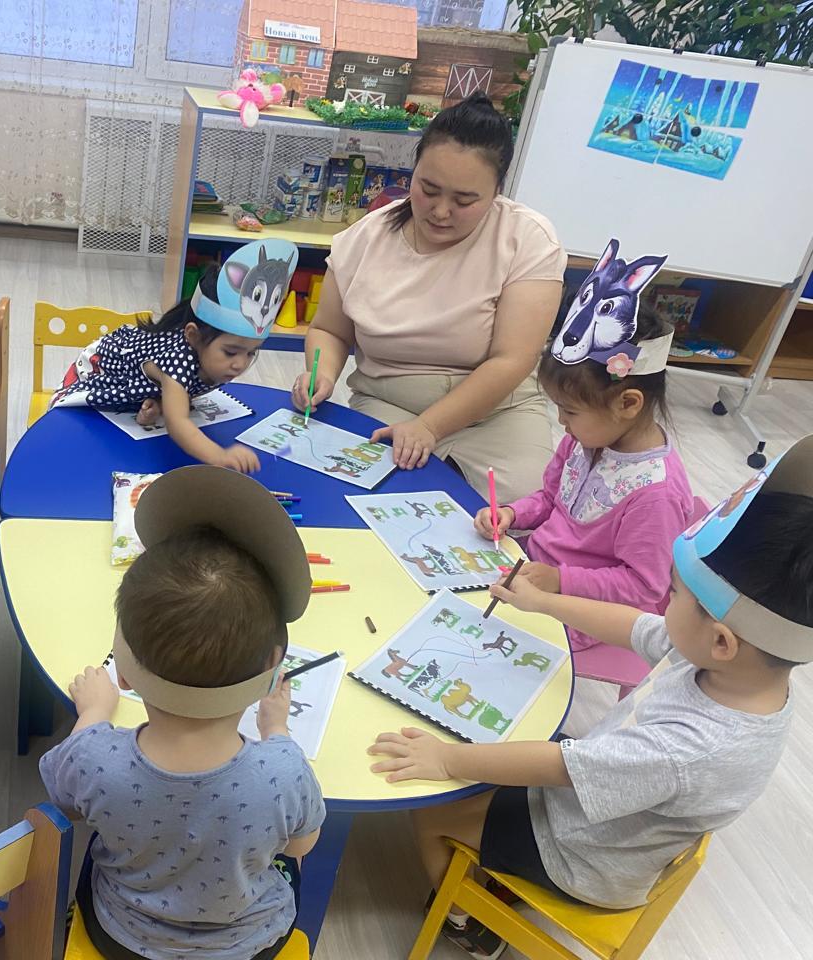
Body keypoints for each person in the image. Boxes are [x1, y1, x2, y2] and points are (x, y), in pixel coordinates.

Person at [368, 436, 813, 960]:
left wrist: (447, 760)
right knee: (497, 738)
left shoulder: (689, 748)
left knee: (432, 807)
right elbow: (634, 626)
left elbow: (561, 766)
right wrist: (544, 602)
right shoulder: (735, 666)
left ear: (721, 640)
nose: (662, 605)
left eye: (673, 595)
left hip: (580, 856)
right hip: (604, 810)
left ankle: (468, 926)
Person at [40, 466, 325, 959]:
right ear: (274, 667)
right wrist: (276, 727)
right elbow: (300, 846)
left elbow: (63, 801)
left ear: (124, 674)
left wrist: (93, 715)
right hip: (248, 946)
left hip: (121, 938)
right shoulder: (284, 769)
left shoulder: (93, 756)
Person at [291, 93, 566, 503]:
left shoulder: (527, 239)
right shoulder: (365, 238)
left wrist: (430, 427)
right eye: (428, 189)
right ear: (413, 170)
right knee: (370, 501)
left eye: (464, 200)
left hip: (498, 415)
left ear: (497, 190)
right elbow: (330, 330)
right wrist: (323, 375)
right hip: (389, 404)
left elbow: (512, 359)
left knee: (519, 512)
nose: (440, 211)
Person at [473, 239, 696, 670]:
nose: (561, 422)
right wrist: (513, 514)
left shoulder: (655, 494)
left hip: (583, 612)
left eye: (570, 411)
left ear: (627, 404)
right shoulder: (587, 438)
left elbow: (643, 588)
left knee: (480, 652)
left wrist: (560, 580)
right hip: (534, 570)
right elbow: (550, 498)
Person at [51, 239, 299, 473]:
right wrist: (220, 456)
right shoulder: (176, 359)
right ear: (193, 336)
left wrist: (164, 401)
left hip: (145, 382)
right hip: (101, 369)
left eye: (251, 353)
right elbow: (178, 423)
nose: (240, 364)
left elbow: (185, 388)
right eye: (231, 352)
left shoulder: (212, 358)